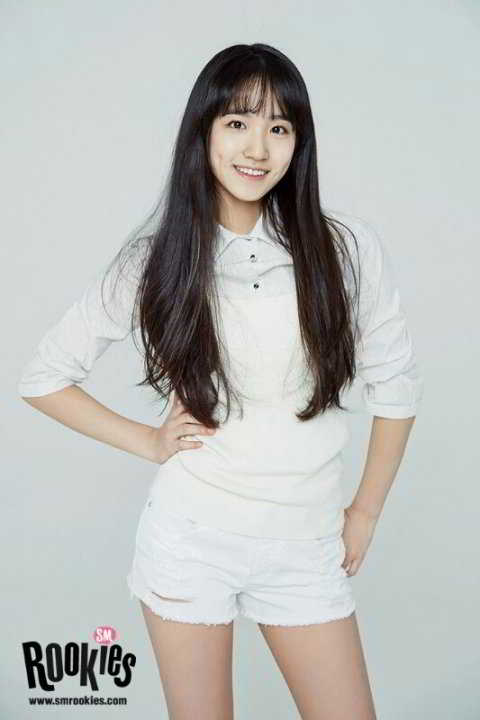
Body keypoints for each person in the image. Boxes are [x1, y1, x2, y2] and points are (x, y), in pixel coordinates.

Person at [18, 42, 423, 720]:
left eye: (279, 127)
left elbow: (397, 385)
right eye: (237, 122)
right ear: (203, 131)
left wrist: (364, 513)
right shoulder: (156, 262)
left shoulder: (345, 249)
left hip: (304, 542)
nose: (257, 148)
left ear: (299, 142)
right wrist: (149, 442)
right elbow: (44, 378)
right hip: (192, 540)